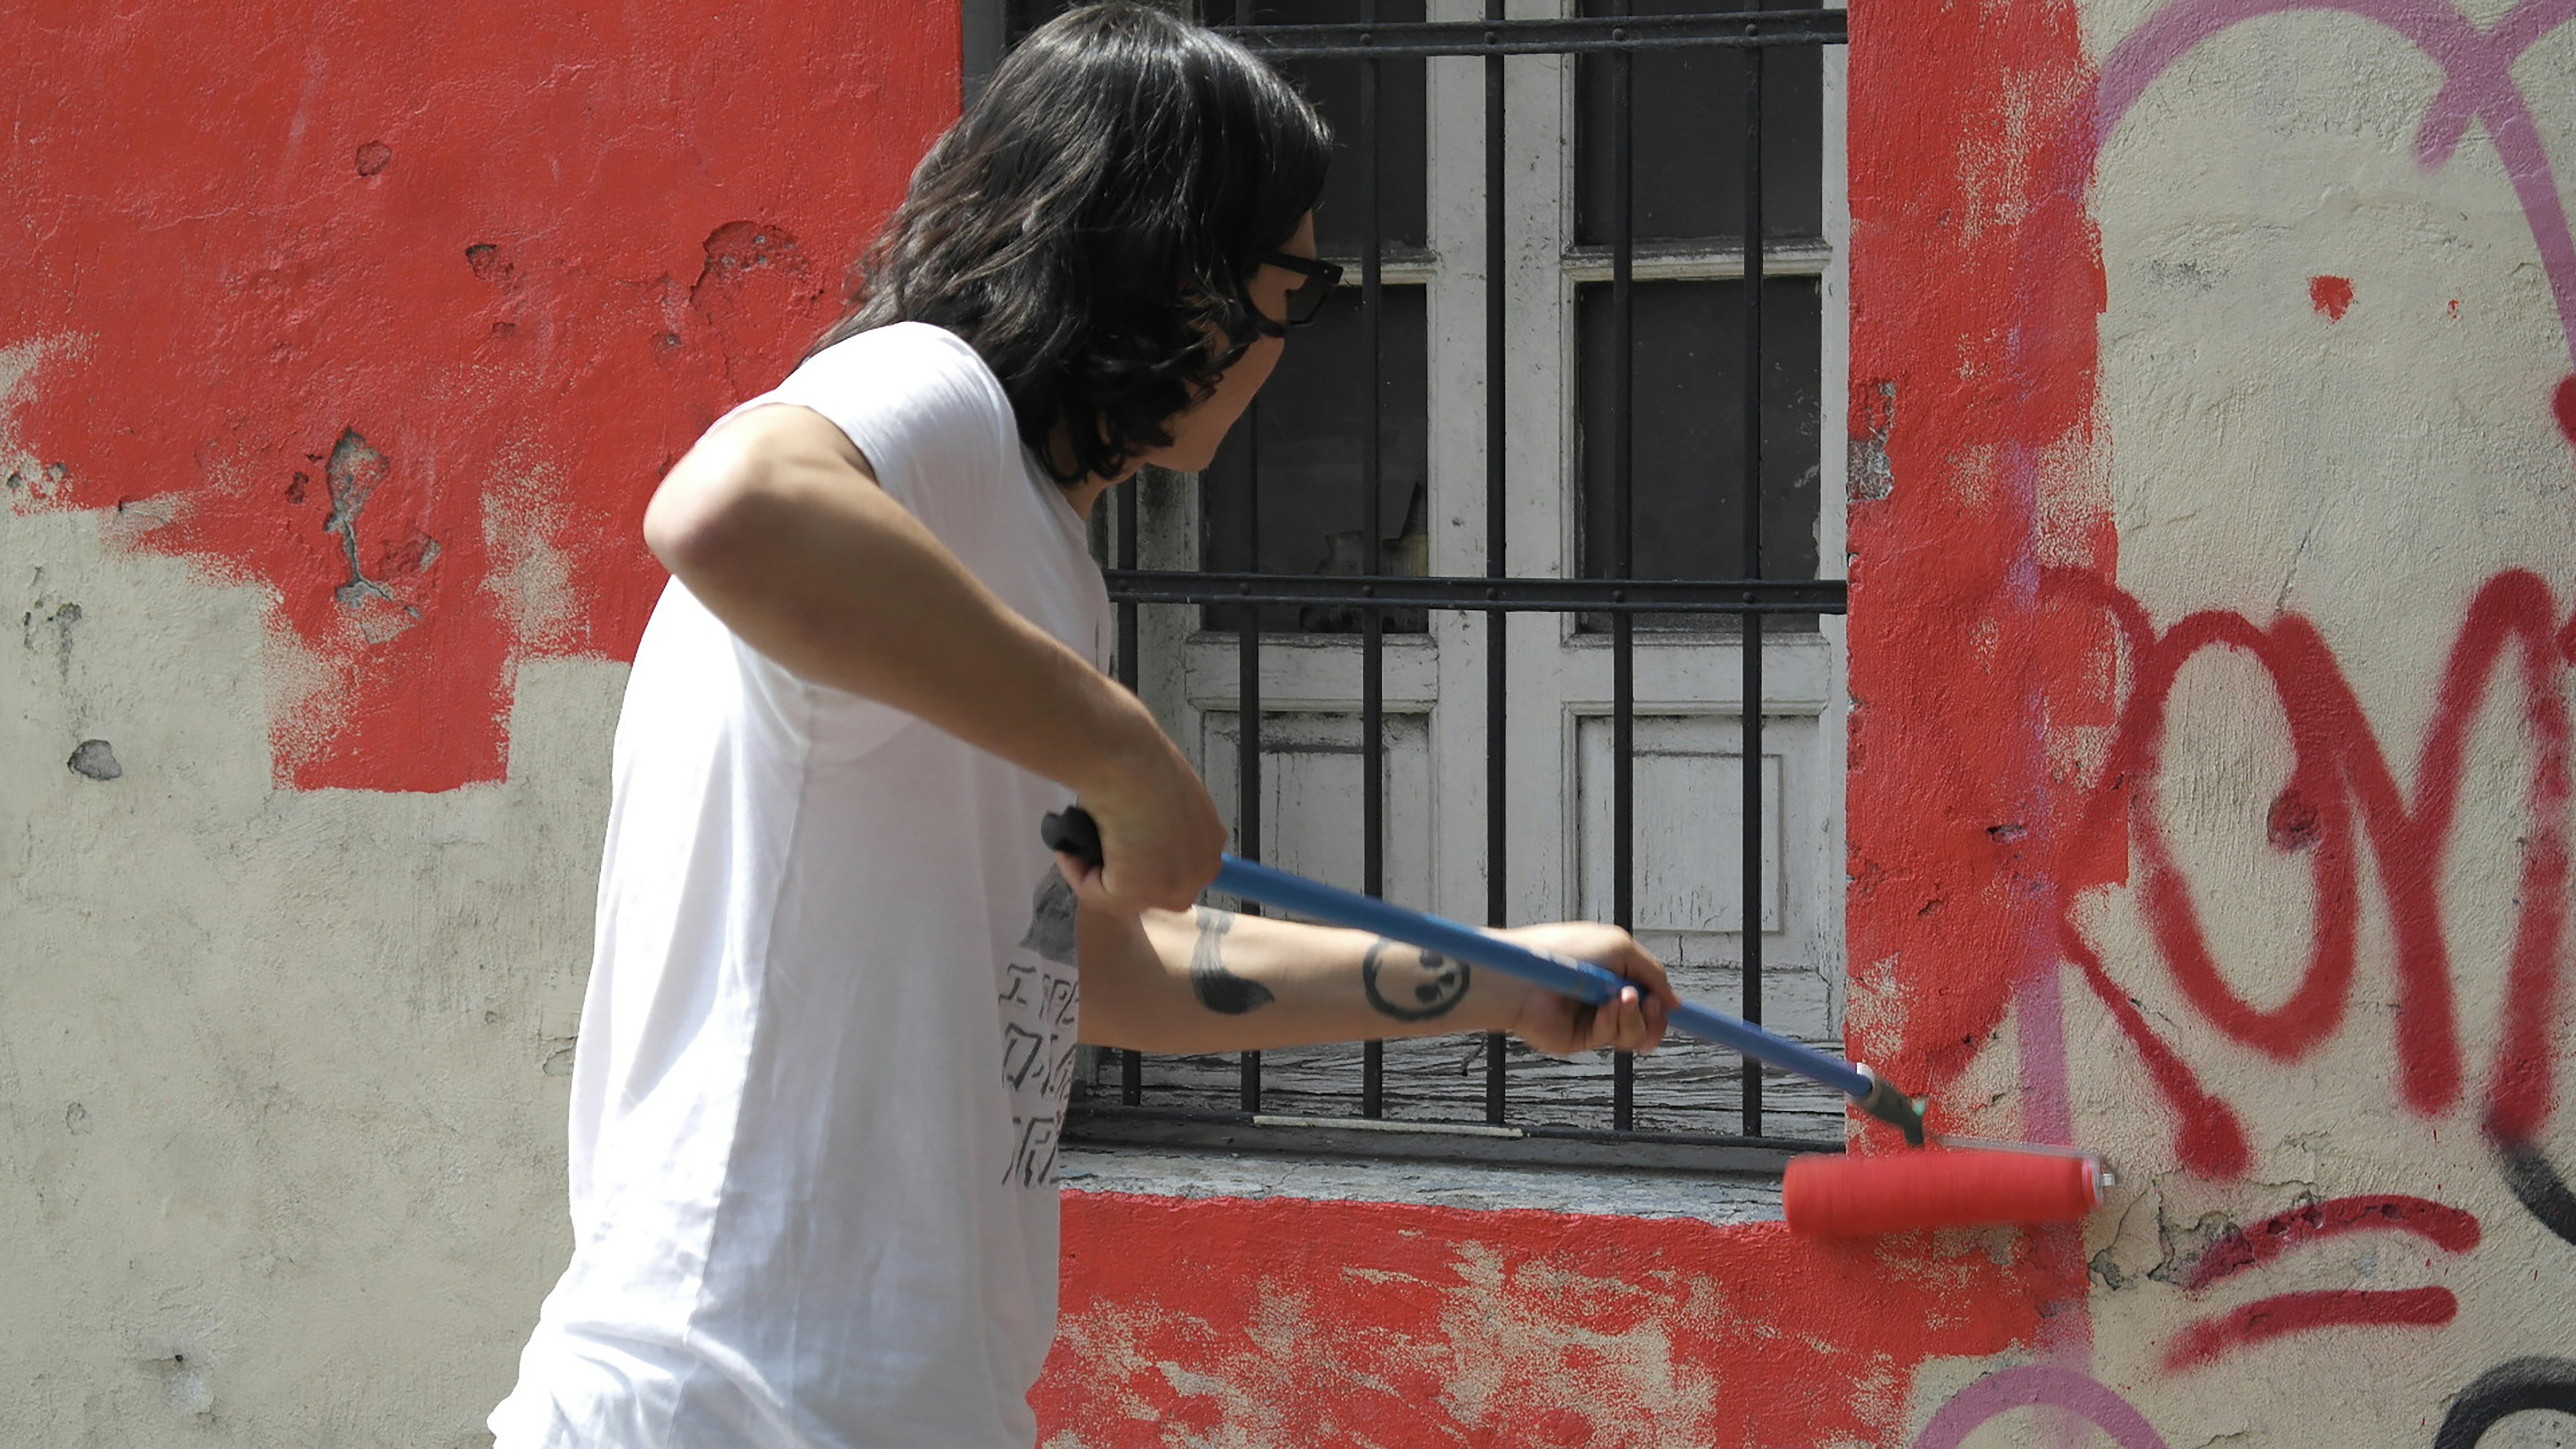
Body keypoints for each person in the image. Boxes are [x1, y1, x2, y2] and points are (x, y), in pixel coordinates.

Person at [488, 6, 1676, 1446]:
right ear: (1177, 270)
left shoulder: (1042, 554)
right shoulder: (930, 398)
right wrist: (1120, 747)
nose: (1286, 345)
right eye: (1293, 286)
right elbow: (727, 508)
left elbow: (1099, 968)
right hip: (728, 1395)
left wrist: (1487, 979)